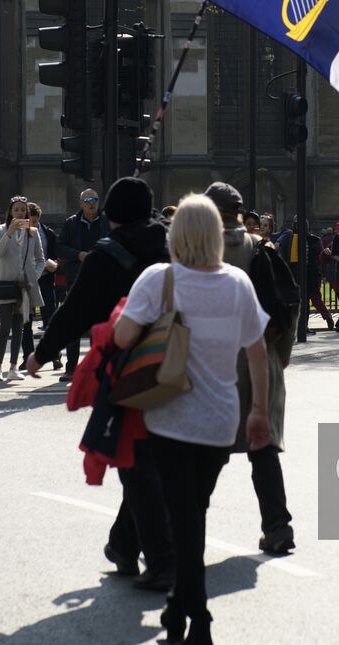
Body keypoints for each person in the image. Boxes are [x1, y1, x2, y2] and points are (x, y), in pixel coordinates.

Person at [112, 193, 271, 645]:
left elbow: (123, 338)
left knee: (185, 518)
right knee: (191, 512)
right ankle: (178, 607)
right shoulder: (238, 282)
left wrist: (135, 316)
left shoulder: (158, 279)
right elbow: (256, 351)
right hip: (222, 420)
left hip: (169, 417)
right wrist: (258, 411)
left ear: (177, 234)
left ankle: (196, 617)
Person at [29, 177, 175, 591]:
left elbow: (74, 312)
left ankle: (159, 559)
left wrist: (42, 353)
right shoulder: (174, 246)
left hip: (128, 365)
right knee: (154, 458)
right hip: (179, 361)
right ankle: (124, 546)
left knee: (135, 461)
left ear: (110, 212)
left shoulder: (106, 255)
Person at [203, 182, 297, 556]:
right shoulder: (264, 248)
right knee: (263, 448)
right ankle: (278, 527)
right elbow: (289, 303)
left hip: (214, 363)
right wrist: (282, 353)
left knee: (207, 453)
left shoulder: (195, 249)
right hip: (263, 358)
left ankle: (177, 527)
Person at [0, 196, 46, 382]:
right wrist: (9, 233)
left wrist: (34, 276)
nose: (20, 212)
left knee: (19, 328)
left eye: (23, 210)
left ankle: (13, 367)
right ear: (10, 212)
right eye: (16, 209)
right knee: (5, 326)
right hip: (6, 283)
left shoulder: (33, 232)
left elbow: (40, 259)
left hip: (24, 287)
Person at [58, 187, 107, 376]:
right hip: (76, 280)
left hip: (101, 280)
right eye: (87, 201)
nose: (91, 204)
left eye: (94, 200)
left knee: (98, 326)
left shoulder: (106, 223)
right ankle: (71, 368)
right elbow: (60, 247)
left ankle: (96, 367)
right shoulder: (71, 223)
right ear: (80, 204)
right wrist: (78, 254)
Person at [276, 217, 333, 330]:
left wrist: (323, 274)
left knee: (314, 299)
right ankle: (302, 325)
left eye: (302, 225)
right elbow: (285, 256)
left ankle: (325, 318)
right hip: (295, 274)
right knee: (298, 301)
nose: (299, 227)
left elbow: (319, 259)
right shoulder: (290, 239)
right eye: (297, 225)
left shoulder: (314, 240)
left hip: (311, 275)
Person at [22, 201, 60, 362]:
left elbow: (57, 253)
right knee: (26, 322)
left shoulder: (48, 233)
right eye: (31, 221)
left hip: (45, 279)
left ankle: (55, 355)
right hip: (27, 280)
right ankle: (28, 356)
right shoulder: (20, 234)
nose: (34, 225)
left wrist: (55, 263)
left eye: (36, 221)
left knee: (50, 320)